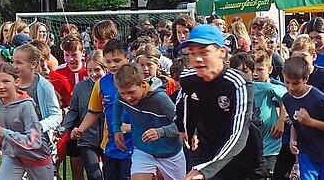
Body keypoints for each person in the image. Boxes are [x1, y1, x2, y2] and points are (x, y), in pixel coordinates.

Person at [175, 24, 268, 180]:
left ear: (221, 52)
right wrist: (185, 129)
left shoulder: (238, 83)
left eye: (204, 52)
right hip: (208, 154)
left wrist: (206, 170)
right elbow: (184, 106)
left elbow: (239, 134)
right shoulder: (188, 78)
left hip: (244, 161)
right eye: (192, 53)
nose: (197, 59)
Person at [273, 36, 324, 180]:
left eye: (295, 83)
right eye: (287, 82)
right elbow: (296, 121)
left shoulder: (320, 92)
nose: (291, 87)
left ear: (305, 79)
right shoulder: (287, 98)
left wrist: (313, 120)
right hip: (307, 149)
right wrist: (293, 140)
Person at [73, 40, 134, 180]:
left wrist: (132, 127)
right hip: (111, 145)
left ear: (127, 58)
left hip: (135, 146)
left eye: (117, 60)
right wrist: (80, 129)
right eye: (108, 61)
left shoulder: (139, 82)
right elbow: (94, 112)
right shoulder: (102, 83)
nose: (112, 65)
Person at [114, 63, 186, 180]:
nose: (127, 97)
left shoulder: (160, 99)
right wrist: (117, 129)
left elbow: (182, 124)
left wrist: (160, 132)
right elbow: (117, 105)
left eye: (131, 92)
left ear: (142, 84)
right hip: (143, 150)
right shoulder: (121, 96)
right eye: (123, 93)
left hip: (170, 153)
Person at [0, 63, 55, 179]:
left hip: (36, 156)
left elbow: (34, 141)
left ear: (16, 81)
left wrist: (3, 133)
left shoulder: (26, 105)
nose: (0, 86)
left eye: (6, 81)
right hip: (13, 155)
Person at [61, 51, 107, 180]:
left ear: (105, 68)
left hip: (108, 138)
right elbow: (73, 110)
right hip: (87, 139)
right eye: (89, 70)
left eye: (97, 70)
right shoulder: (80, 87)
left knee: (110, 174)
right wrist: (65, 127)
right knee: (95, 175)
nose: (93, 74)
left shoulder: (112, 86)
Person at [11, 43, 63, 142]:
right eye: (13, 62)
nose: (15, 66)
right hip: (15, 140)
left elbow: (56, 115)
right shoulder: (11, 84)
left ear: (33, 64)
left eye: (19, 63)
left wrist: (39, 126)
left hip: (39, 141)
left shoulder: (44, 86)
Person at [253, 50, 287, 174]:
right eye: (254, 69)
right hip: (252, 146)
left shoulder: (274, 86)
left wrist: (281, 121)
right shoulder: (248, 86)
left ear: (270, 69)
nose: (255, 74)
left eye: (260, 69)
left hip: (270, 145)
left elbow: (287, 99)